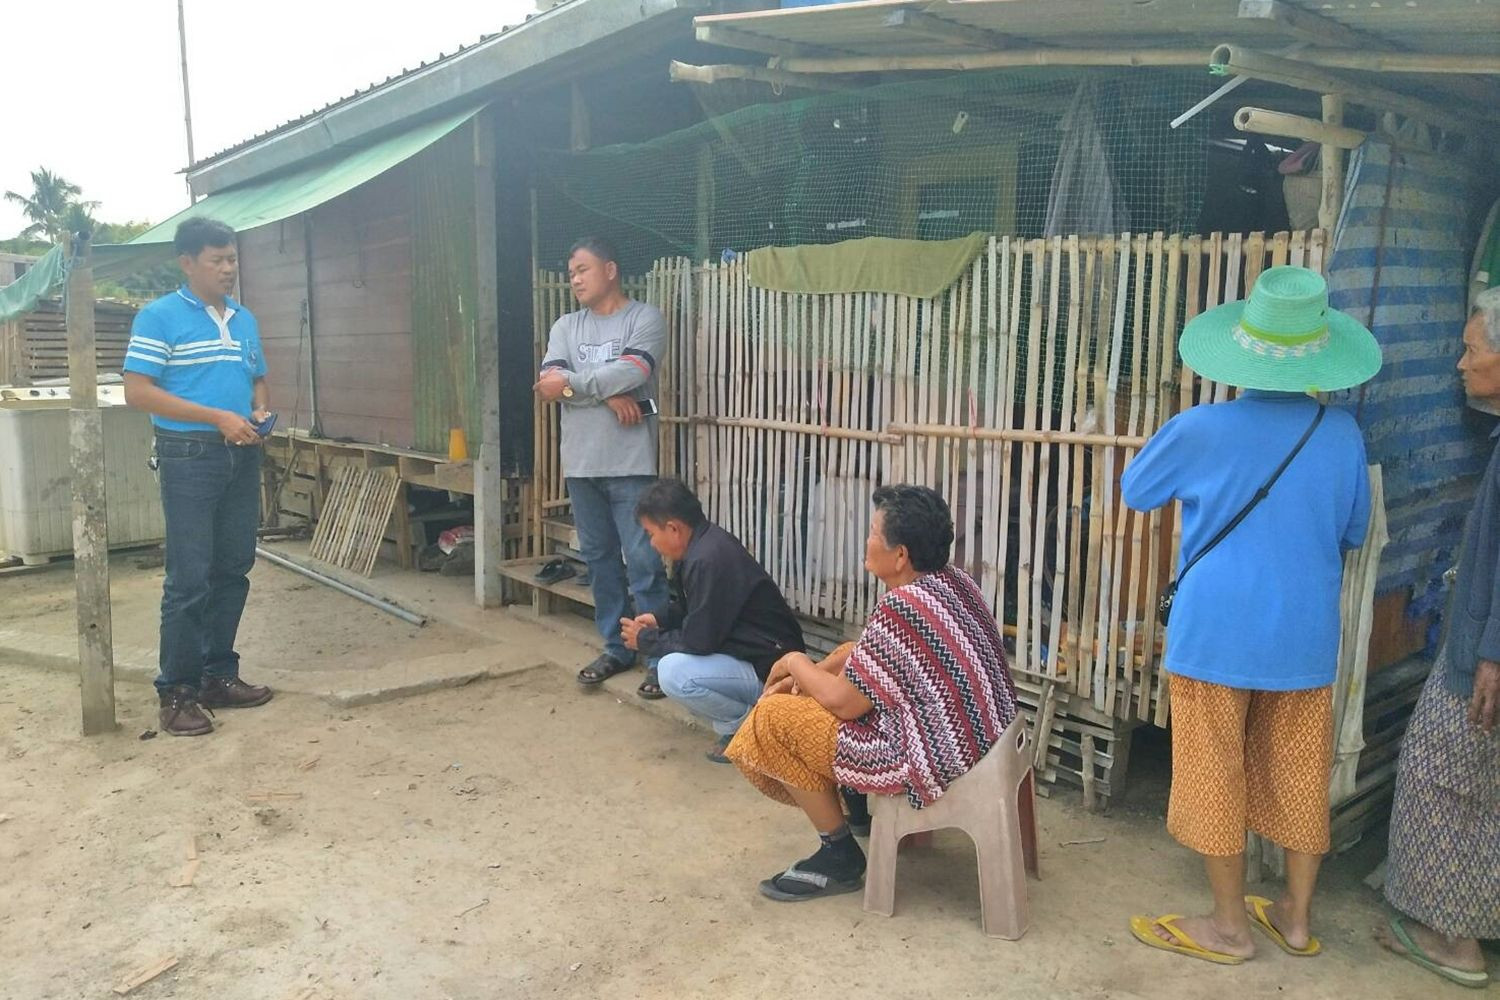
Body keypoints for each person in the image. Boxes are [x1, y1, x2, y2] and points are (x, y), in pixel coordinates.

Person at [1121, 266, 1381, 964]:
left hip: (1215, 631)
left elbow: (1137, 490)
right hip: (1303, 636)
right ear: (1320, 355)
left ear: (1239, 349)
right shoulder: (1342, 434)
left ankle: (1231, 928)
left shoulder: (1199, 427)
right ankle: (1295, 918)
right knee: (1298, 772)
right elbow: (1354, 531)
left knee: (1213, 769)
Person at [725, 484, 1019, 901]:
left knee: (774, 719)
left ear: (900, 556)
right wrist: (812, 674)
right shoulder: (955, 582)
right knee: (843, 661)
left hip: (932, 760)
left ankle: (839, 855)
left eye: (873, 533)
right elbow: (865, 657)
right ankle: (856, 805)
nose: (866, 541)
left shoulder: (902, 609)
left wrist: (794, 662)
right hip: (987, 739)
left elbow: (844, 703)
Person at [1374, 286, 1500, 990]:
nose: (1460, 363)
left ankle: (1452, 939)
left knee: (1442, 778)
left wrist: (1491, 656)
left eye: (1471, 350)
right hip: (1480, 645)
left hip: (1481, 656)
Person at [122, 218, 275, 737]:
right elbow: (138, 391)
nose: (229, 269)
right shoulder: (159, 316)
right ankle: (177, 693)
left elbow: (257, 378)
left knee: (233, 567)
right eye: (218, 260)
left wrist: (258, 410)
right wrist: (216, 417)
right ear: (187, 262)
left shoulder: (243, 318)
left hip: (241, 451)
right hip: (188, 454)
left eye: (232, 259)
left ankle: (218, 676)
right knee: (189, 577)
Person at [535, 237, 670, 699]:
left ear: (610, 270)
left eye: (583, 269)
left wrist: (575, 386)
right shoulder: (565, 326)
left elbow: (635, 371)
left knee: (645, 562)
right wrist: (607, 395)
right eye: (571, 272)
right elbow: (547, 385)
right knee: (599, 560)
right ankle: (616, 647)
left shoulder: (644, 318)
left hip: (631, 463)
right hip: (581, 464)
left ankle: (658, 657)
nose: (574, 279)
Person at [619, 479, 806, 762]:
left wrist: (645, 640)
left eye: (651, 534)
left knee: (672, 673)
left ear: (673, 529)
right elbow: (695, 607)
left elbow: (699, 641)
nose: (651, 543)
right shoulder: (704, 544)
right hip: (754, 656)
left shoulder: (707, 558)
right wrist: (659, 619)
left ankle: (749, 728)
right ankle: (752, 722)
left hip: (771, 672)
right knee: (676, 667)